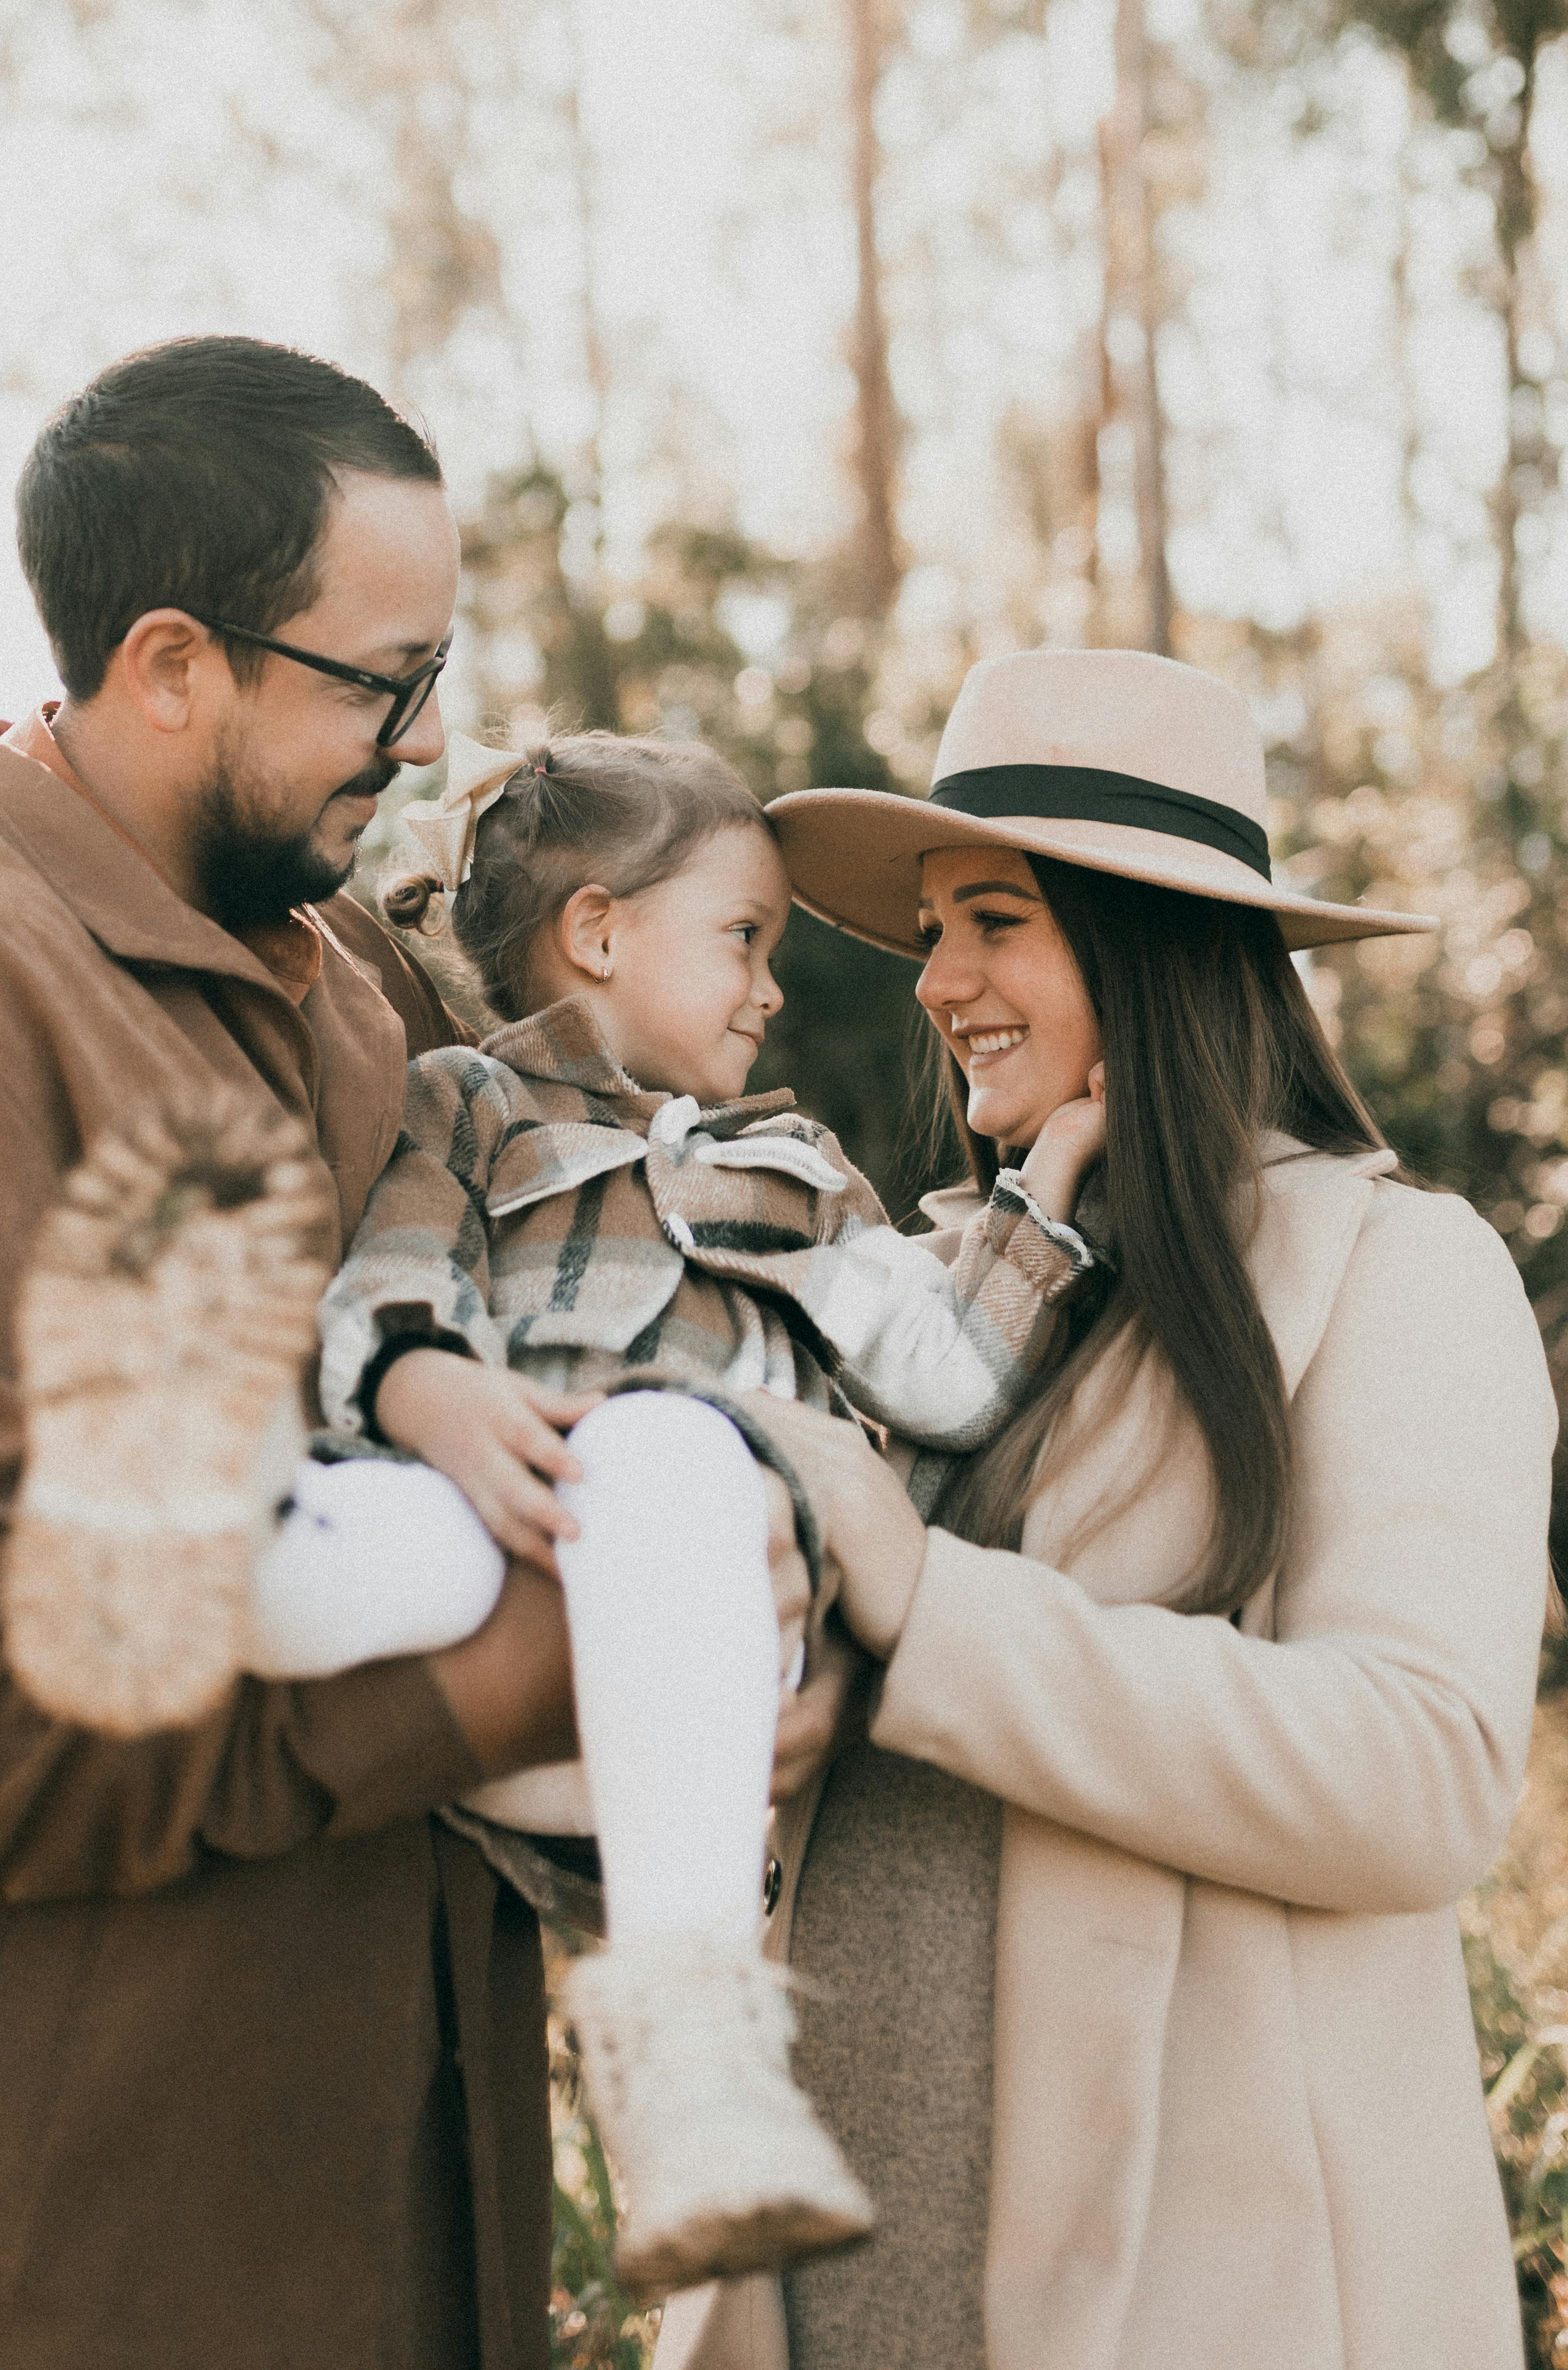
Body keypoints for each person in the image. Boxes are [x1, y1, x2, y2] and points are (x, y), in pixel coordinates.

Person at [0, 334, 807, 2370]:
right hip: (24, 2269)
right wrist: (488, 1688)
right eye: (379, 683)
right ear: (173, 661)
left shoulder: (357, 980)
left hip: (379, 2226)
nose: (431, 735)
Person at [9, 723, 1109, 2299]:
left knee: (663, 1447)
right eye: (743, 938)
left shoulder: (795, 1165)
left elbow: (946, 1379)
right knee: (341, 1539)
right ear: (599, 932)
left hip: (683, 1704)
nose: (771, 986)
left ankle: (691, 2060)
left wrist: (1039, 1201)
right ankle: (186, 1495)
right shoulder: (462, 1107)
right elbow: (395, 1275)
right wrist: (416, 1387)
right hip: (498, 1581)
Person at [662, 644, 1557, 2370]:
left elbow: (1422, 1775)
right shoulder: (928, 1292)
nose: (936, 982)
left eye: (994, 919)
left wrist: (931, 1607)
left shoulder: (1393, 1274)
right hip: (835, 2266)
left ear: (1147, 948)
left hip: (1209, 2302)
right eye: (932, 930)